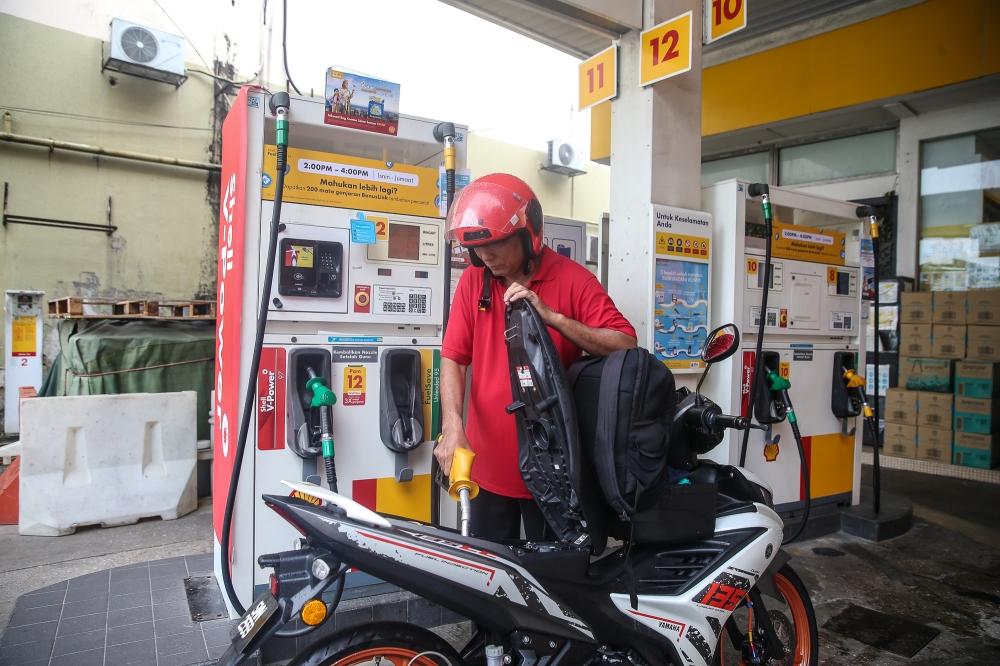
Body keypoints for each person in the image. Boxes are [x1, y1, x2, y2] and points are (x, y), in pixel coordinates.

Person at [436, 173, 636, 541]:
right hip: (485, 470)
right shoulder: (473, 281)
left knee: (551, 586)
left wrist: (555, 319)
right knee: (490, 580)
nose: (485, 256)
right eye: (478, 249)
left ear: (530, 234)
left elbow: (625, 343)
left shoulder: (573, 280)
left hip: (554, 473)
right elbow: (453, 358)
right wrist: (452, 427)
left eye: (496, 245)